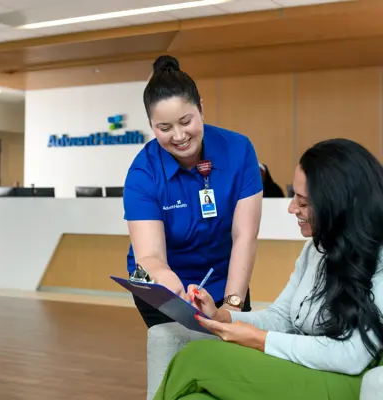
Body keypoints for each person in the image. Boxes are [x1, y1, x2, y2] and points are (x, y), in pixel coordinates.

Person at [152, 138, 383, 400]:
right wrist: (222, 317)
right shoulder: (314, 251)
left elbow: (350, 356)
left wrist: (257, 338)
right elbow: (281, 318)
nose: (291, 207)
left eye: (304, 202)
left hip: (346, 381)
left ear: (340, 205)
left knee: (196, 357)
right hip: (303, 367)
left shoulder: (379, 261)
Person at [123, 54, 263, 329]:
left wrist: (232, 307)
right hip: (167, 288)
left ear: (201, 108)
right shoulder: (143, 173)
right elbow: (149, 256)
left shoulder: (238, 150)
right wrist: (166, 279)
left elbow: (245, 236)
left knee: (232, 357)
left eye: (186, 121)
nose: (178, 136)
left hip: (225, 280)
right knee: (181, 357)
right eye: (164, 128)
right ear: (152, 126)